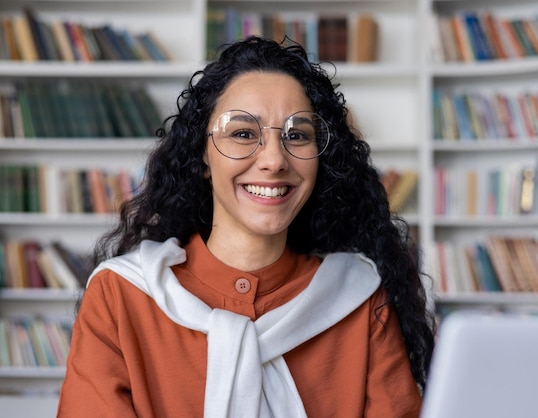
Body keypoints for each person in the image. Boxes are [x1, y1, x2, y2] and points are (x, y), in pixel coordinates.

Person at [57, 36, 435, 417]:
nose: (273, 160)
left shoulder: (361, 298)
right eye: (242, 133)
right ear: (202, 157)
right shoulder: (120, 295)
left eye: (297, 135)